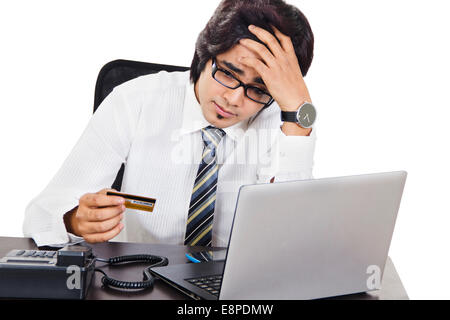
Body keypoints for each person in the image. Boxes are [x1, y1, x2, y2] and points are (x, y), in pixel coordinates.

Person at [23, 0, 317, 247]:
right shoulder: (135, 101)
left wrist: (299, 118)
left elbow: (290, 244)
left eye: (259, 89)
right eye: (228, 72)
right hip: (141, 283)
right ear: (205, 54)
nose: (235, 99)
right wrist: (73, 220)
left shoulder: (284, 123)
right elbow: (39, 216)